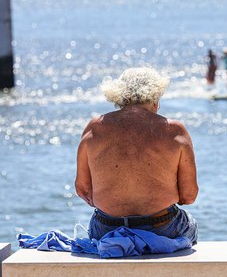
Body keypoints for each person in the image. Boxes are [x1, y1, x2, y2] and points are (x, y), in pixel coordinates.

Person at [75, 67, 199, 244]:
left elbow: (83, 190)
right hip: (162, 227)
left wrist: (116, 205)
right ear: (154, 98)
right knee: (190, 224)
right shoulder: (174, 130)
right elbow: (189, 196)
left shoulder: (95, 127)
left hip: (107, 228)